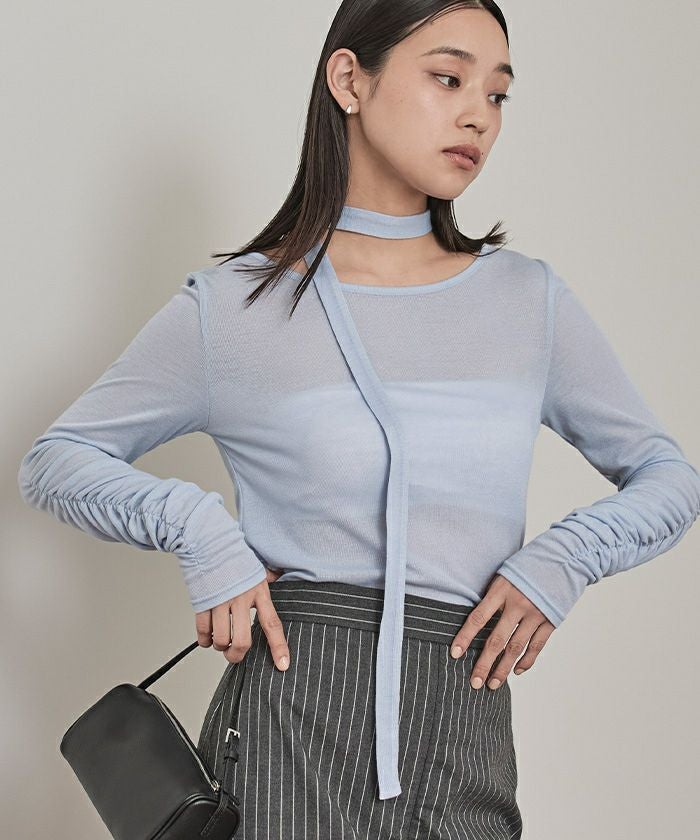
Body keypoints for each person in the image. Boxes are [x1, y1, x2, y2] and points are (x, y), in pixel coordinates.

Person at [16, 2, 700, 839]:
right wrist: (199, 529)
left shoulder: (527, 302)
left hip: (464, 731)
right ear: (349, 79)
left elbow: (669, 478)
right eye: (448, 78)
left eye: (496, 94)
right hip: (287, 730)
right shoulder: (236, 308)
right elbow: (57, 459)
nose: (478, 115)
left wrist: (565, 558)